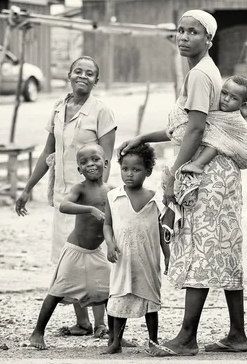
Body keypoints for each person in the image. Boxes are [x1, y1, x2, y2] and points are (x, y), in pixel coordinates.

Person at [119, 10, 247, 357]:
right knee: (220, 251)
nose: (184, 37)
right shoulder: (203, 72)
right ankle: (237, 334)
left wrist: (176, 175)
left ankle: (187, 337)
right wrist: (142, 137)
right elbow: (183, 127)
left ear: (208, 39)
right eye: (180, 30)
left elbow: (195, 130)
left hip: (206, 176)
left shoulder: (200, 74)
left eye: (193, 32)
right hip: (216, 174)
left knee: (200, 252)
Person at [16, 56, 117, 338]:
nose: (83, 76)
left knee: (94, 254)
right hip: (65, 197)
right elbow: (48, 153)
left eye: (90, 73)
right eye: (78, 71)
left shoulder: (102, 112)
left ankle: (100, 324)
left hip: (90, 198)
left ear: (96, 80)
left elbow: (106, 160)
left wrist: (99, 200)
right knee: (67, 255)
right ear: (69, 75)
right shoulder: (59, 108)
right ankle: (82, 321)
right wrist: (27, 188)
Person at [27, 144, 111, 350]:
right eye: (83, 162)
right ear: (79, 170)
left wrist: (113, 244)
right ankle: (37, 332)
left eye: (95, 159)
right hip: (76, 251)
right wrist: (90, 209)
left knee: (110, 292)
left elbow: (114, 220)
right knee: (57, 291)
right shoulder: (80, 189)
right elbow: (64, 205)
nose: (90, 164)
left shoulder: (110, 190)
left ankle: (115, 337)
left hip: (96, 252)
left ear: (106, 163)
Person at [102, 144, 170, 355]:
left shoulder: (155, 199)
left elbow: (161, 231)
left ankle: (153, 341)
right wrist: (110, 244)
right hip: (122, 259)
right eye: (125, 169)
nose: (129, 174)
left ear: (148, 171)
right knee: (119, 299)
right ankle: (115, 342)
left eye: (136, 169)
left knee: (150, 300)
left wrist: (168, 256)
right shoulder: (113, 196)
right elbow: (107, 224)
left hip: (147, 260)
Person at [181, 75, 247, 174]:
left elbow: (199, 123)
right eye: (224, 93)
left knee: (216, 139)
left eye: (234, 98)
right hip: (238, 148)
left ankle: (198, 164)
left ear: (242, 105)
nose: (226, 99)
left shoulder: (232, 118)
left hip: (246, 152)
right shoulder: (219, 112)